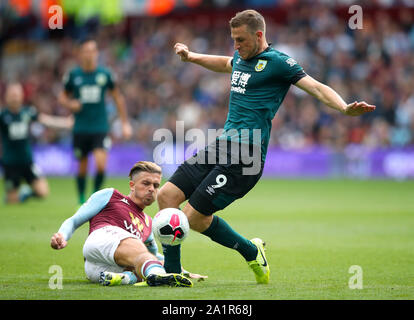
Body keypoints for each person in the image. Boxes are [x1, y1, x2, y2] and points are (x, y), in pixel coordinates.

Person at [157, 9, 376, 284]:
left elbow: (317, 87)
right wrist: (191, 57)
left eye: (241, 40)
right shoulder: (240, 55)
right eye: (233, 40)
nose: (236, 46)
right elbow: (226, 63)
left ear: (259, 35)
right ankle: (178, 270)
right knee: (166, 197)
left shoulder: (279, 63)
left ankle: (243, 253)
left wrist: (344, 108)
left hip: (245, 158)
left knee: (192, 217)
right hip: (222, 144)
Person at [50, 161, 203, 287]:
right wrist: (62, 236)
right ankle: (157, 276)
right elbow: (75, 220)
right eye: (146, 183)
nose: (151, 189)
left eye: (156, 186)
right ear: (132, 185)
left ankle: (124, 278)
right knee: (139, 250)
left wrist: (181, 270)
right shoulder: (110, 195)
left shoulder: (149, 223)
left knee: (146, 260)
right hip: (100, 241)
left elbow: (154, 255)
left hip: (99, 270)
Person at [58, 38, 133, 205]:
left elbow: (117, 98)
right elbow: (62, 97)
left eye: (93, 51)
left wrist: (125, 123)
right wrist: (71, 104)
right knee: (82, 165)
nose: (90, 54)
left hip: (100, 126)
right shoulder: (73, 75)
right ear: (80, 54)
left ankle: (94, 196)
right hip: (80, 127)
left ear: (97, 53)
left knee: (100, 164)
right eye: (86, 51)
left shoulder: (105, 74)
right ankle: (81, 197)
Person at [0, 82, 73, 203]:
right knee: (12, 201)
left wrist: (66, 123)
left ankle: (25, 193)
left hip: (27, 161)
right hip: (10, 163)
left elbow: (46, 120)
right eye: (12, 95)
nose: (14, 98)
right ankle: (15, 194)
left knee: (43, 192)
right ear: (6, 97)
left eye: (17, 95)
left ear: (22, 96)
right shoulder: (3, 115)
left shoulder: (28, 112)